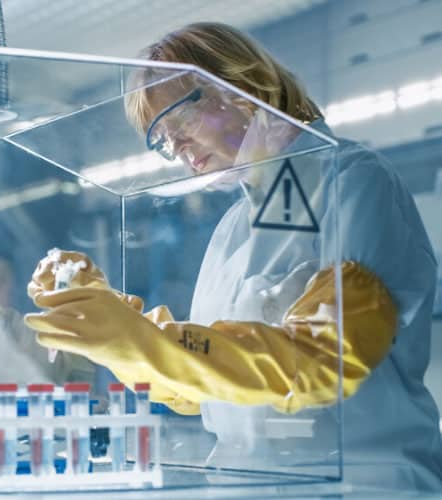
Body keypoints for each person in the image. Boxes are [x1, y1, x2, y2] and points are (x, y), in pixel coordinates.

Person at [24, 22, 442, 490]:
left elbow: (325, 360)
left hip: (361, 484)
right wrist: (108, 321)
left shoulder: (353, 184)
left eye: (179, 121)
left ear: (241, 88)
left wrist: (141, 339)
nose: (177, 147)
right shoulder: (232, 229)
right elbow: (195, 384)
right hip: (247, 482)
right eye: (162, 139)